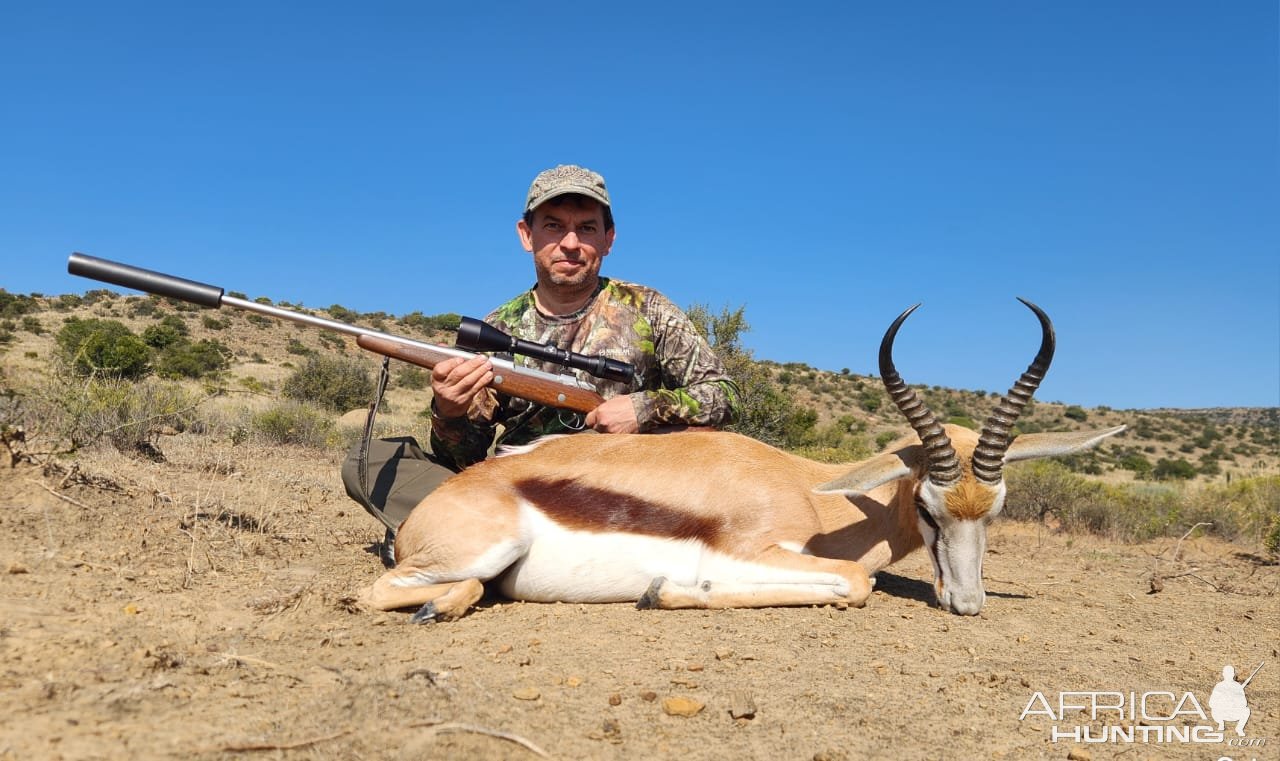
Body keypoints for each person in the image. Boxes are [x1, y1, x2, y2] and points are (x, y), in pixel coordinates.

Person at [346, 164, 740, 547]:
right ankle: (521, 543)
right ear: (526, 234)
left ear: (609, 238)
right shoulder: (497, 328)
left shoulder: (648, 308)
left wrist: (643, 407)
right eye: (553, 225)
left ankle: (469, 540)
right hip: (522, 493)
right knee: (370, 461)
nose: (570, 243)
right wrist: (448, 412)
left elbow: (725, 395)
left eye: (586, 228)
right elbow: (464, 457)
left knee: (718, 459)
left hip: (624, 489)